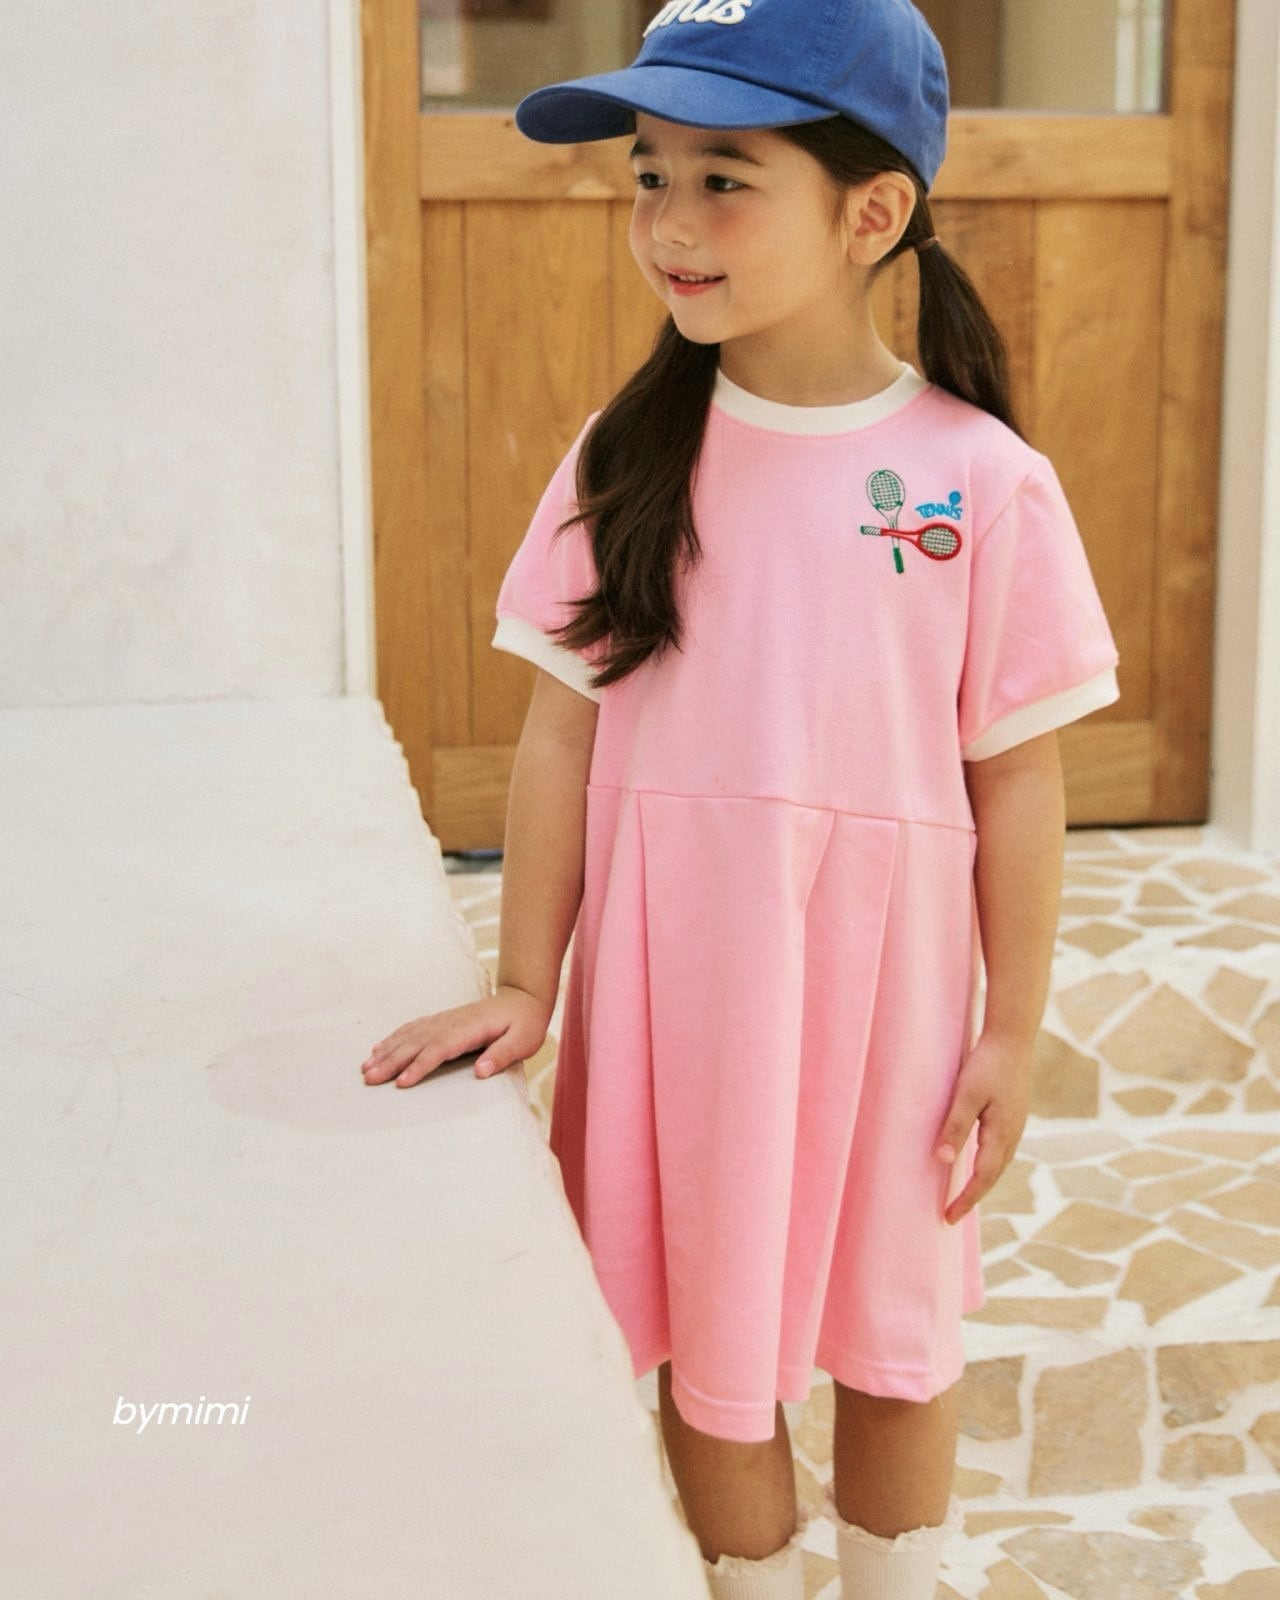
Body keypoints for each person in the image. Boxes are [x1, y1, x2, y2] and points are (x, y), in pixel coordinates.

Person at [360, 1, 1122, 1596]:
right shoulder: (630, 454)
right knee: (710, 1337)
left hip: (890, 1002)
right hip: (683, 992)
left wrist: (1010, 1028)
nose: (669, 223)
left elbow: (1018, 774)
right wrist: (527, 978)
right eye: (650, 175)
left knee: (894, 1335)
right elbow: (561, 734)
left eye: (724, 179)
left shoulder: (981, 479)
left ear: (871, 211)